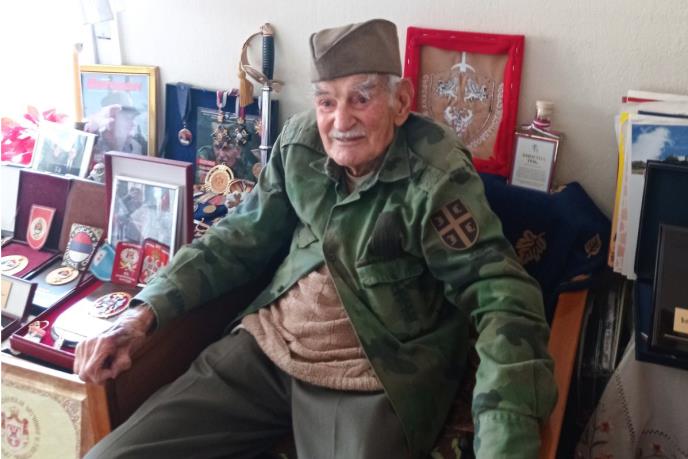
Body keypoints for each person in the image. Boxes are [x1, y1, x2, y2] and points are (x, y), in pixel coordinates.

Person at [75, 19, 556, 459]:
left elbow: (501, 296)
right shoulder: (300, 144)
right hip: (266, 349)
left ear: (401, 102)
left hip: (367, 376)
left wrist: (506, 439)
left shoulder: (437, 176)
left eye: (361, 98)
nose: (340, 121)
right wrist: (144, 312)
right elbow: (237, 238)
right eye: (327, 101)